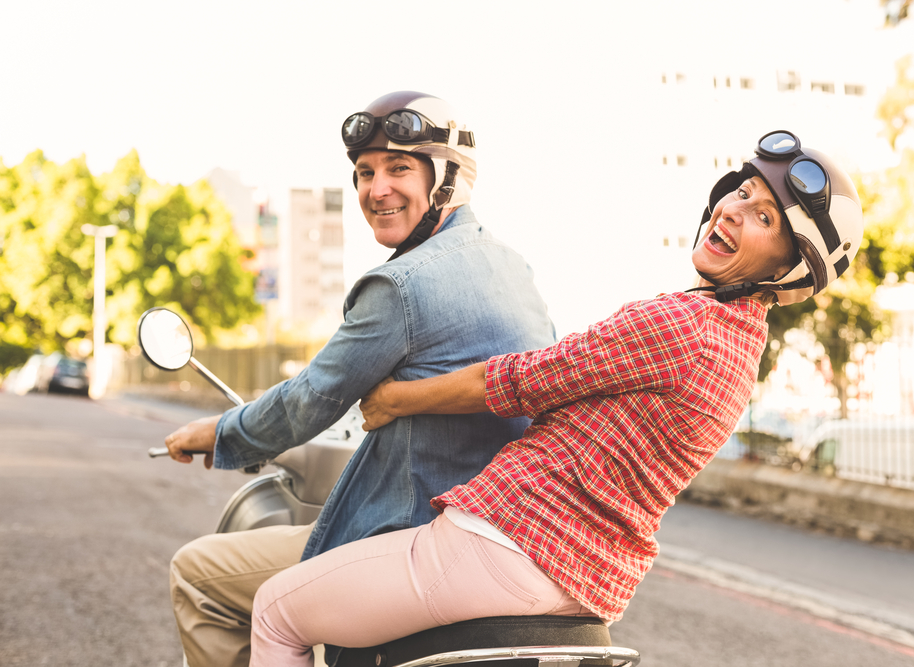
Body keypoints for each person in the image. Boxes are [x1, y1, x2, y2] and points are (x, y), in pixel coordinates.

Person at [245, 130, 866, 665]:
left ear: (786, 270)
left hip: (504, 545)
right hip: (583, 580)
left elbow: (521, 380)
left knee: (276, 610)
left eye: (763, 219)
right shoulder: (737, 348)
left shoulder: (684, 324)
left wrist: (394, 401)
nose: (734, 211)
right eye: (743, 192)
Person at [163, 91, 556, 667]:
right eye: (364, 173)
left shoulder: (399, 286)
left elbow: (309, 399)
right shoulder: (515, 268)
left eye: (399, 168)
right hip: (508, 533)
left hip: (413, 531)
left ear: (447, 178)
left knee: (197, 574)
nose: (376, 190)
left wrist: (220, 433)